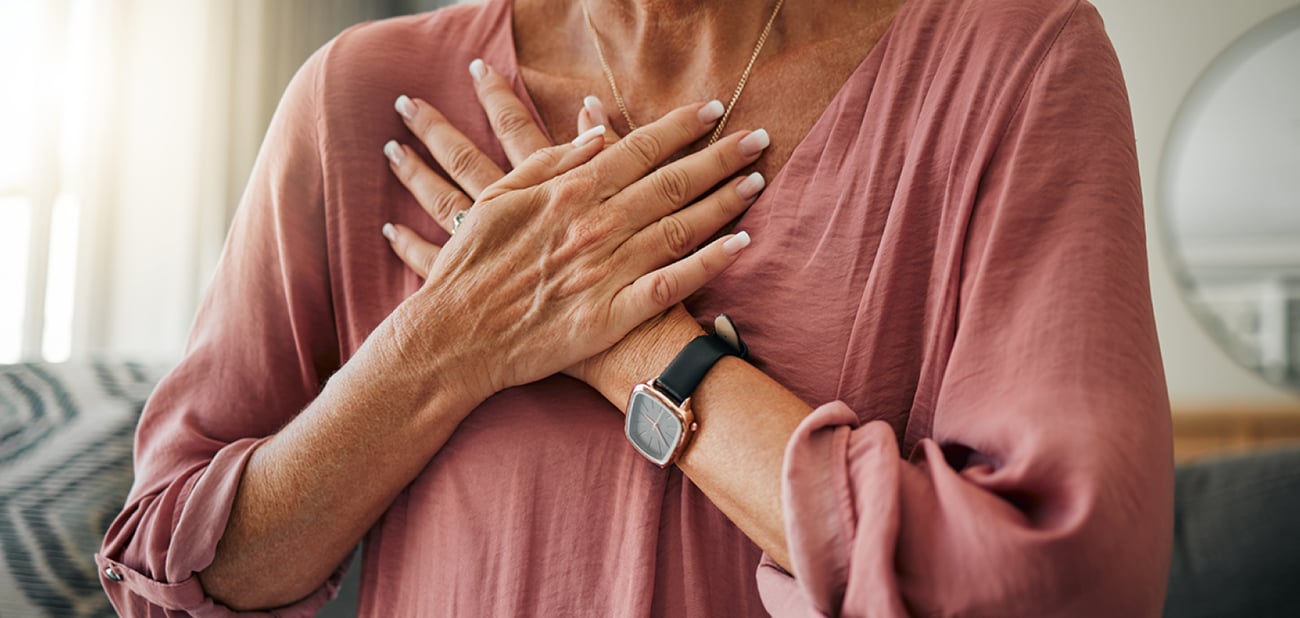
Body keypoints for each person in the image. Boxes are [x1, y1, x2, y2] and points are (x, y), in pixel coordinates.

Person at [96, 0, 1175, 615]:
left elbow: (1058, 585)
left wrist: (640, 349)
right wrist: (444, 342)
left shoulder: (1016, 65)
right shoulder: (360, 95)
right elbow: (169, 580)